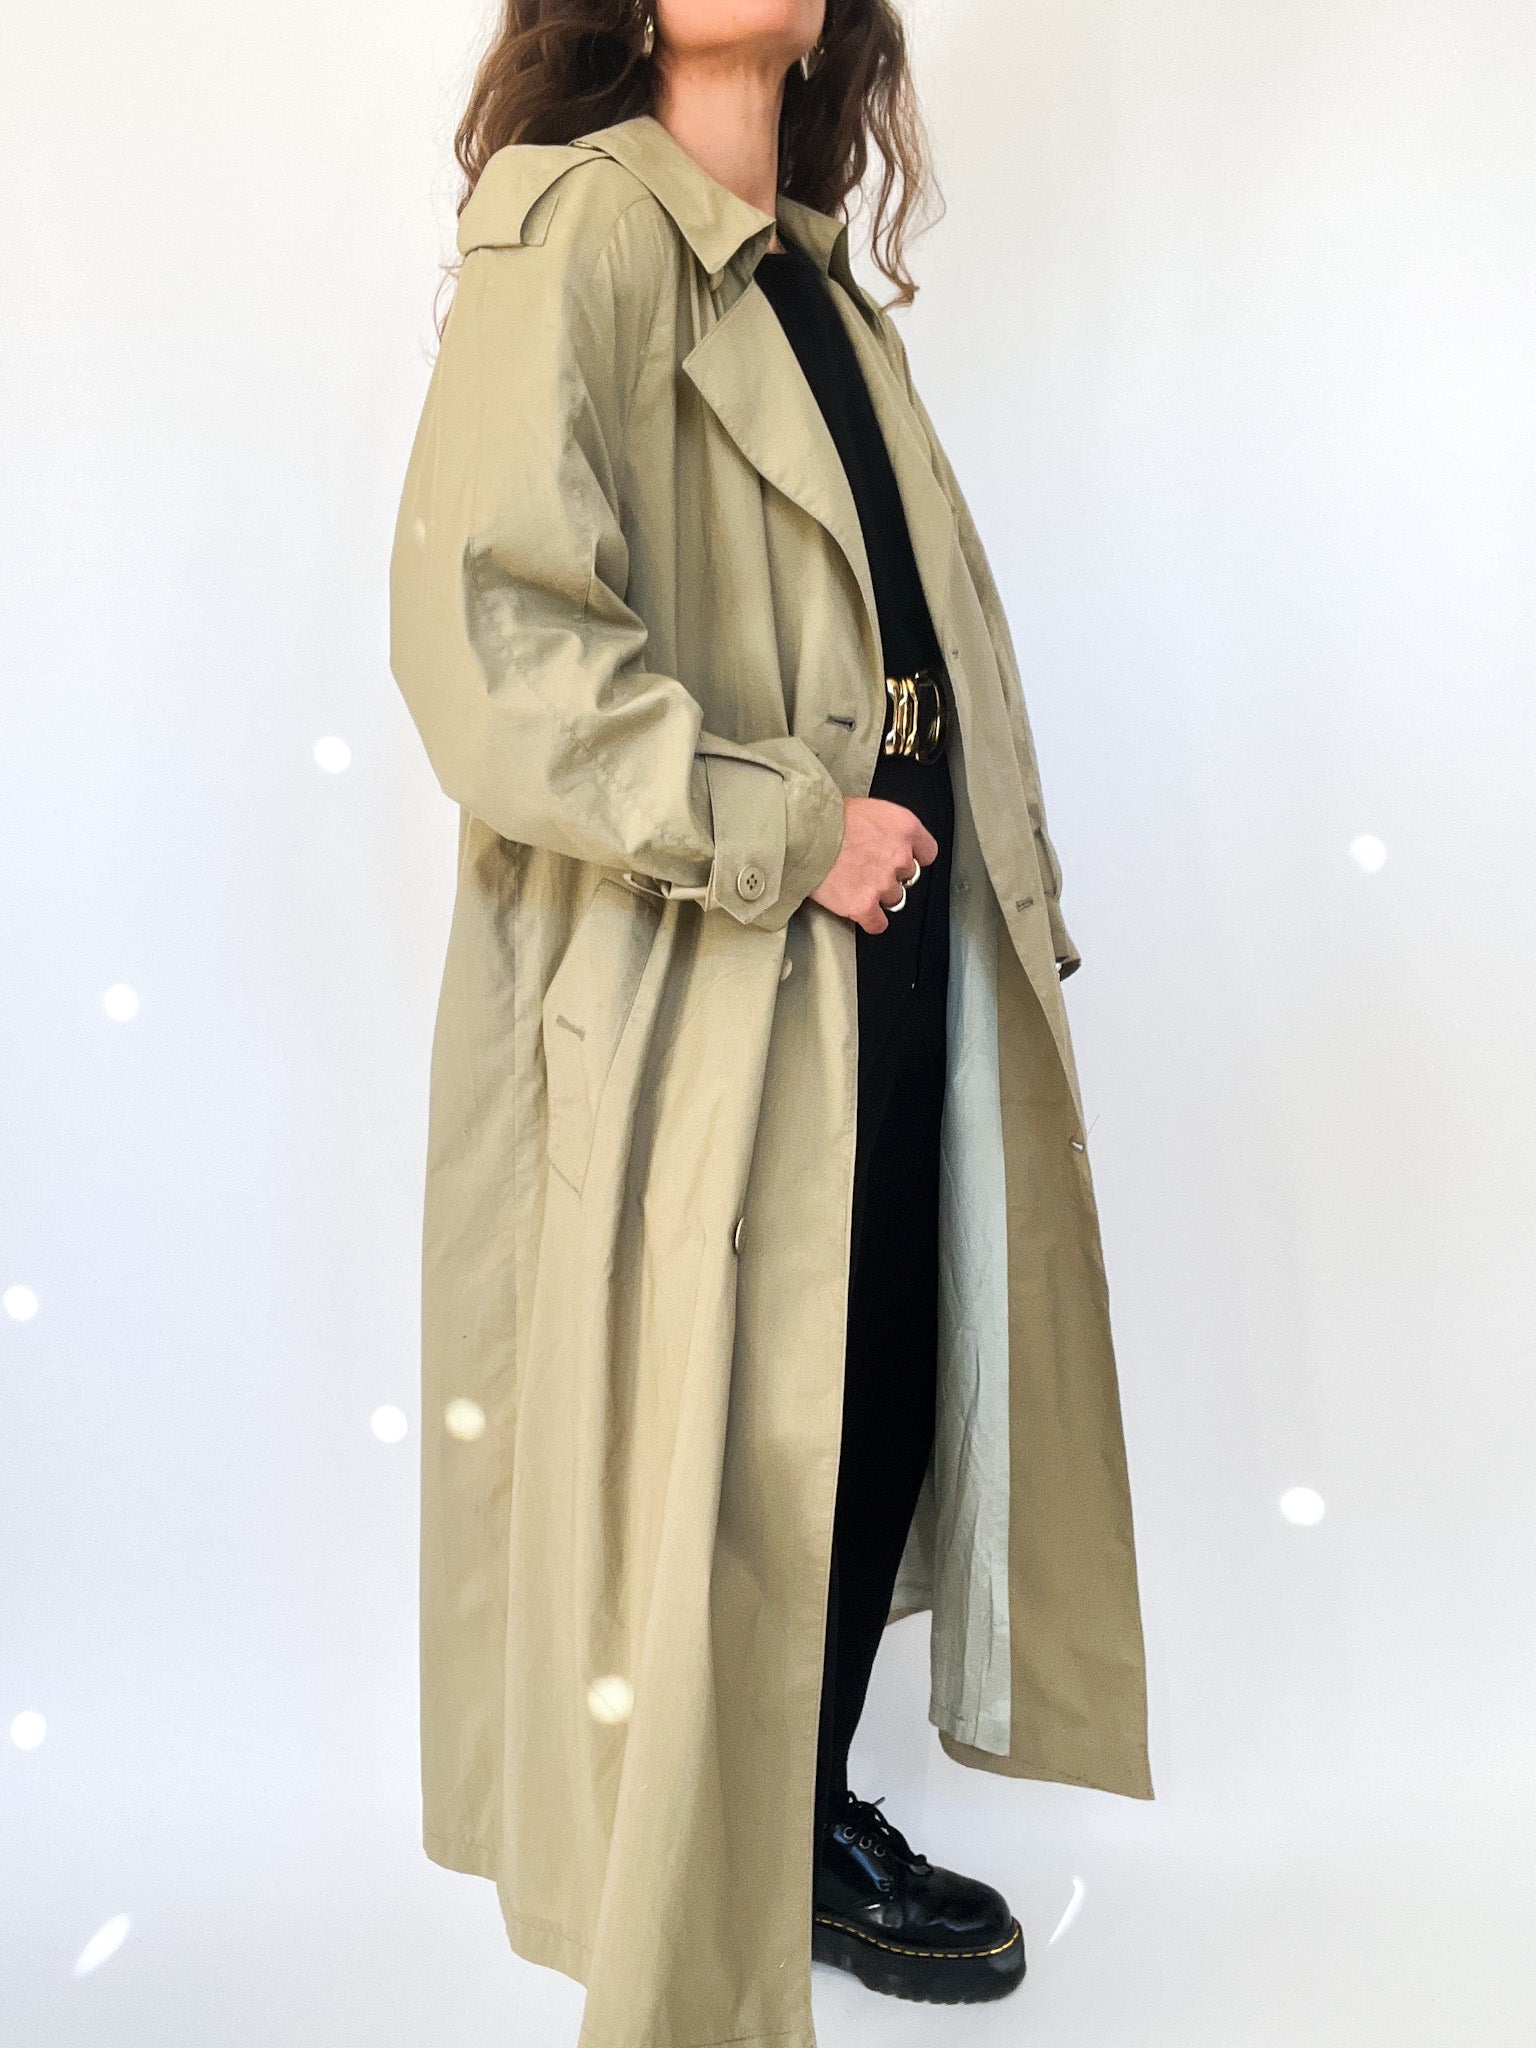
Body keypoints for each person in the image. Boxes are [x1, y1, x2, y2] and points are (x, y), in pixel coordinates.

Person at [388, 4, 1153, 2041]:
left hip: (885, 923)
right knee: (718, 1428)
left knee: (874, 1374)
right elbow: (492, 639)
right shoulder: (576, 225)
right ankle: (690, 1870)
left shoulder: (816, 279)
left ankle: (796, 1812)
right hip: (716, 946)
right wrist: (784, 827)